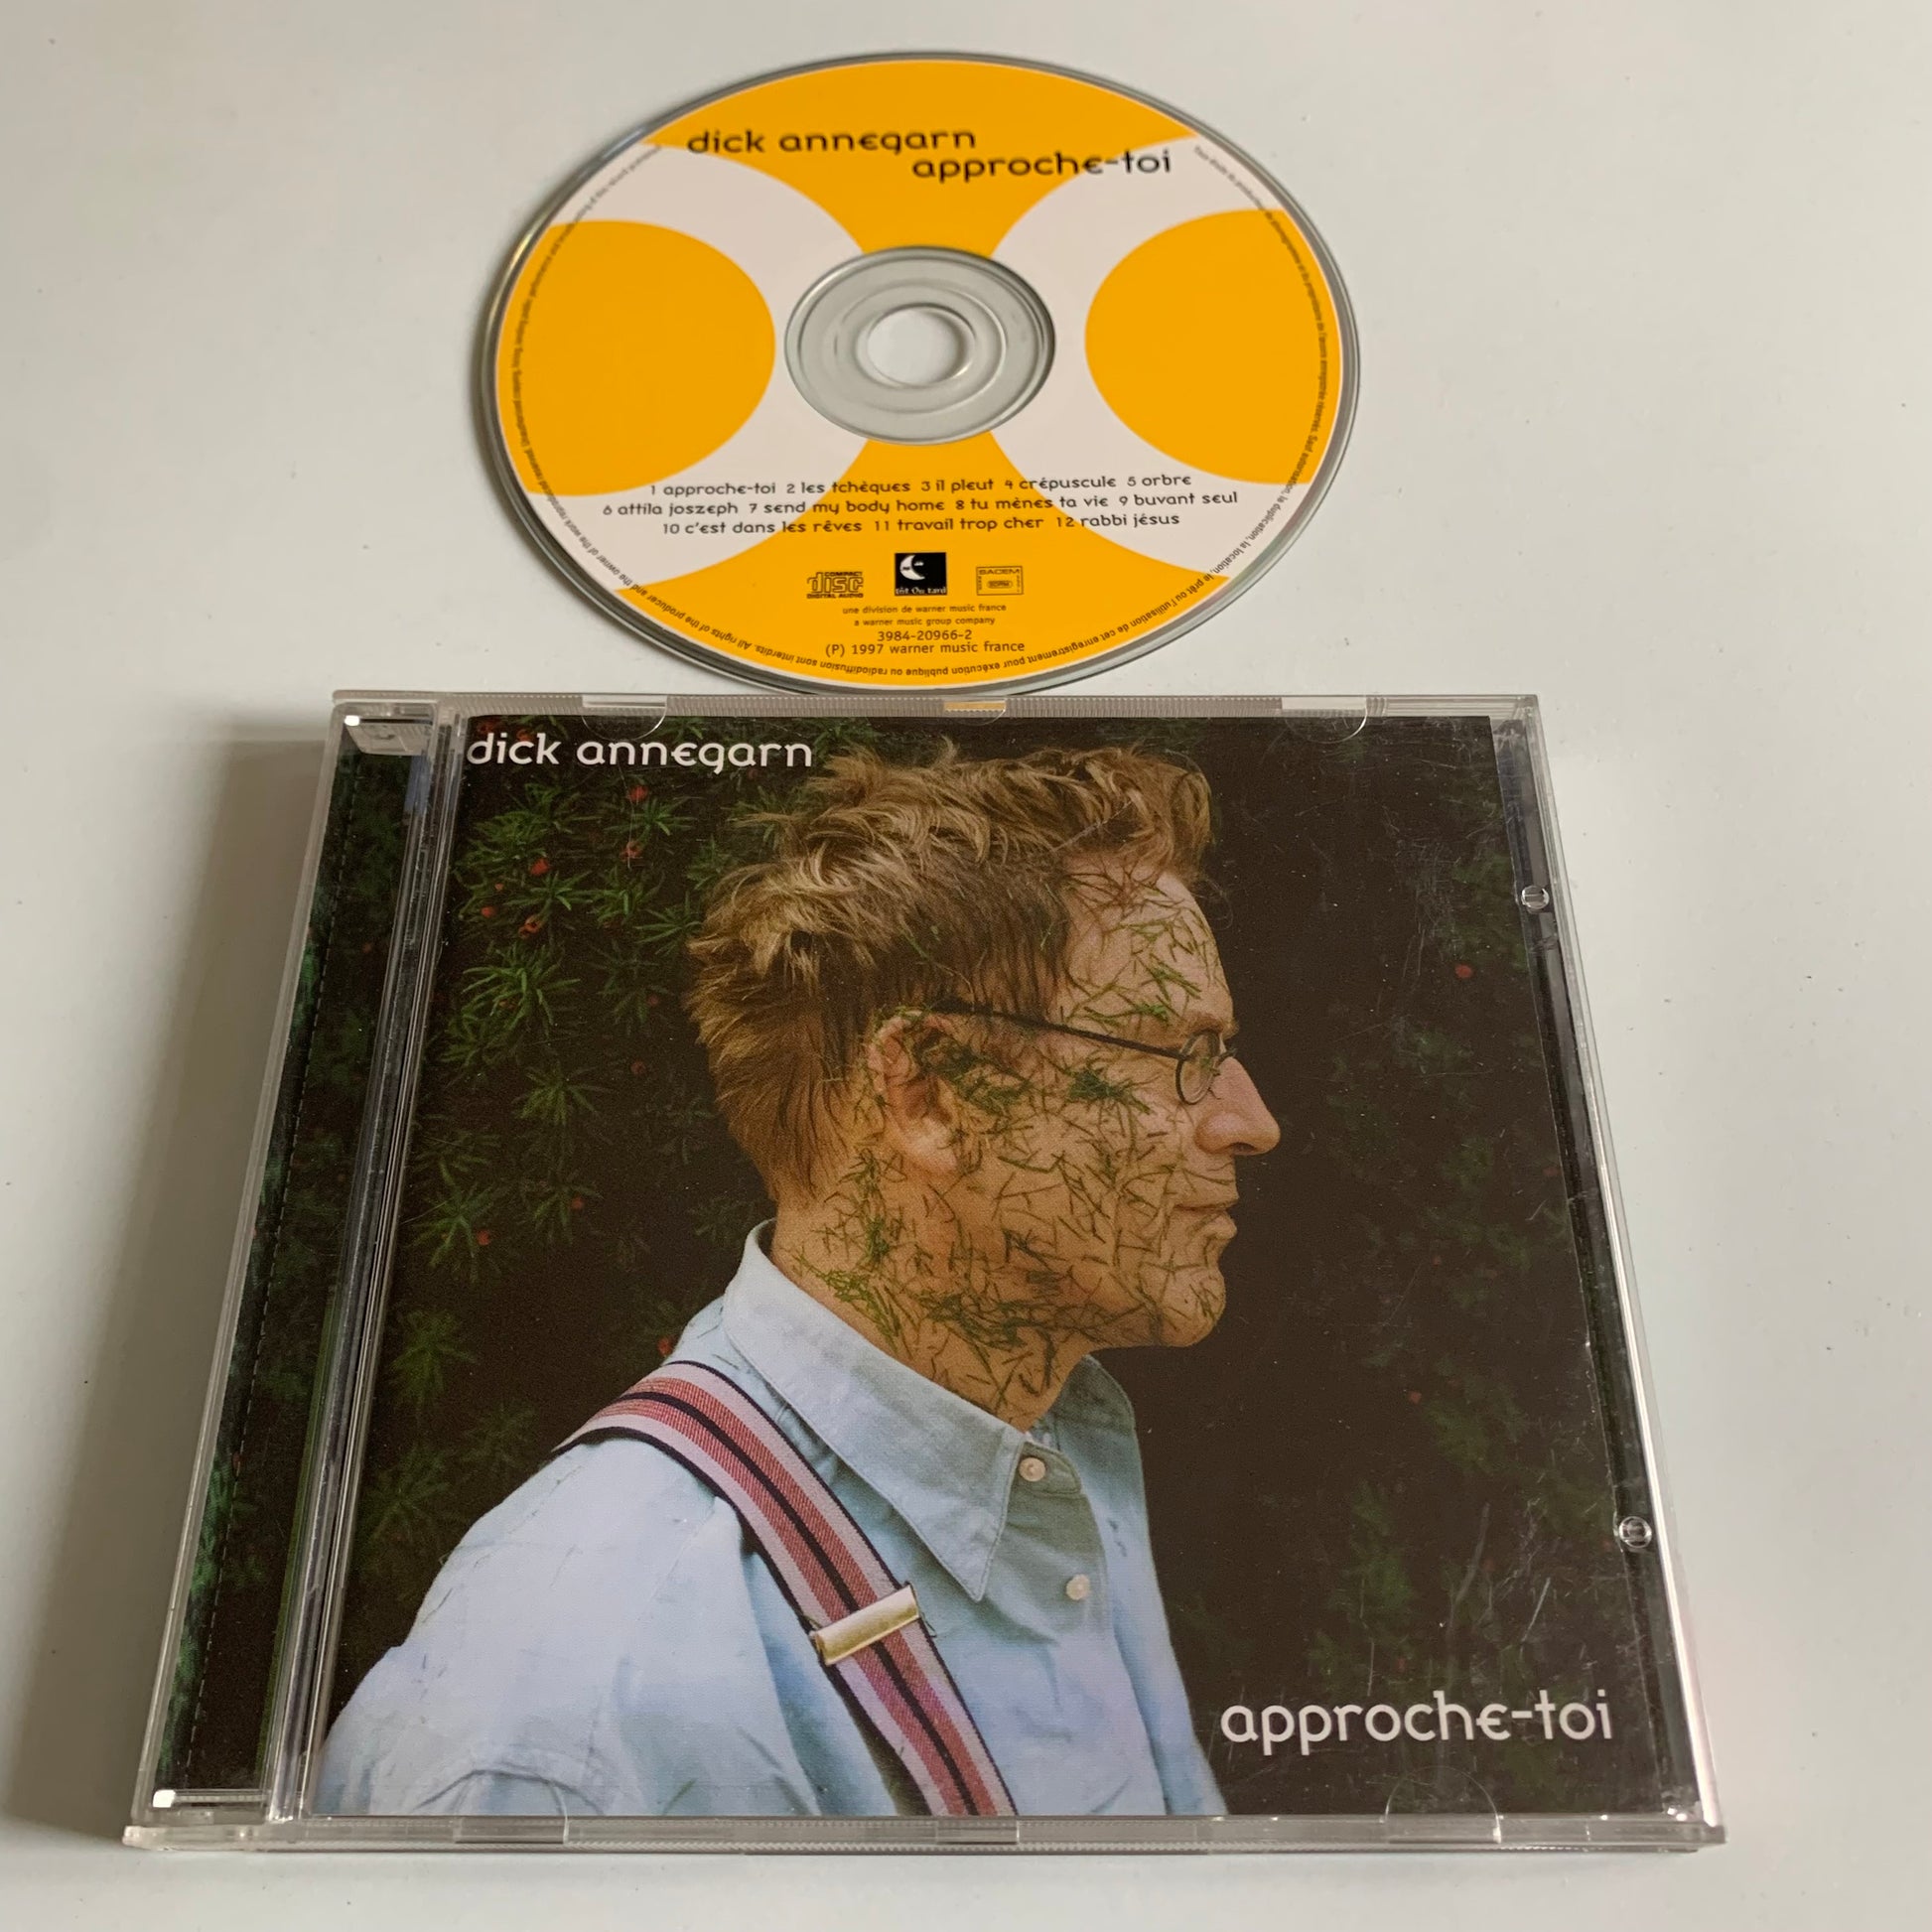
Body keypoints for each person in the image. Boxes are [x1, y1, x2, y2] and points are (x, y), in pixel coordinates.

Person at [318, 742, 1281, 1818]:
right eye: (1179, 1057)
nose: (1250, 1121)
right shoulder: (578, 1714)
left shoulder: (1057, 1442)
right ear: (930, 1092)